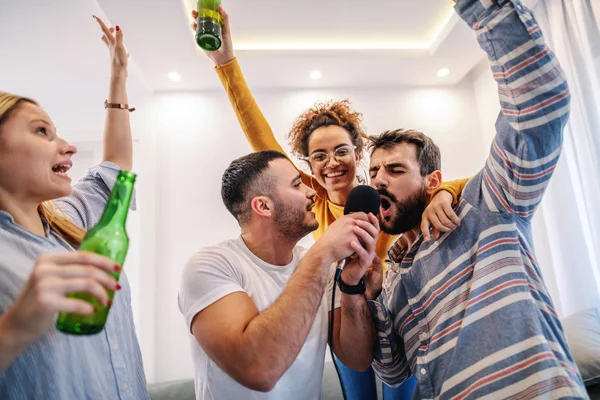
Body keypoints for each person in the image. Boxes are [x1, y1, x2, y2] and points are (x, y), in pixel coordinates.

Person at [190, 8, 468, 398]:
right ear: (307, 166)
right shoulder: (309, 202)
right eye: (318, 156)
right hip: (348, 317)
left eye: (341, 151)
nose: (331, 162)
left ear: (358, 154)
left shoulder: (385, 194)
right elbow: (261, 139)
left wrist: (446, 190)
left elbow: (437, 187)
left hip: (398, 323)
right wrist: (226, 64)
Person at [336, 0, 589, 398]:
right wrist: (369, 299)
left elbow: (542, 101)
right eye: (374, 173)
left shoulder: (486, 205)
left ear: (434, 180)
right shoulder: (395, 273)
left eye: (396, 170)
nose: (379, 181)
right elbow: (394, 369)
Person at [0, 18, 149, 399]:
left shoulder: (69, 224)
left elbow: (116, 165)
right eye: (41, 131)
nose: (68, 147)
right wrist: (15, 327)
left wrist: (118, 75)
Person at [178, 150, 381, 400]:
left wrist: (351, 285)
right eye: (297, 184)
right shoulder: (211, 266)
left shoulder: (320, 267)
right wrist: (323, 252)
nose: (312, 192)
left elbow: (358, 359)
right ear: (263, 206)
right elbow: (259, 370)